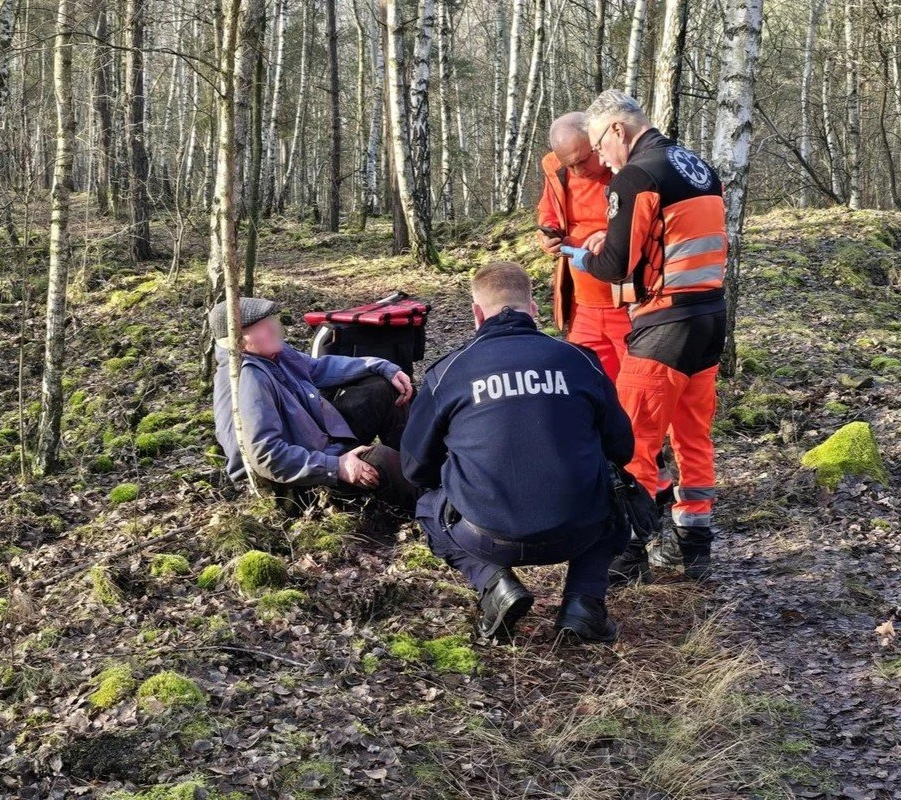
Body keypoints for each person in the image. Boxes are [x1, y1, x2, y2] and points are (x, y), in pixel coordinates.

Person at [400, 262, 634, 642]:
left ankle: (494, 585)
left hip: (486, 535)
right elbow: (622, 448)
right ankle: (584, 603)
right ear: (534, 309)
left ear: (476, 313)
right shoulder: (580, 361)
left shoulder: (448, 372)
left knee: (428, 505)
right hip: (580, 529)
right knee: (617, 489)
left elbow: (414, 468)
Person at [559, 90, 728, 584]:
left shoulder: (637, 175)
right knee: (693, 435)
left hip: (665, 325)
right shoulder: (694, 164)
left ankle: (626, 552)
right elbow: (670, 240)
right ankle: (694, 544)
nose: (603, 162)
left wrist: (582, 255)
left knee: (634, 439)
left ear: (616, 129)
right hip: (709, 317)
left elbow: (617, 265)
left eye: (598, 146)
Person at [210, 297, 419, 512]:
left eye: (271, 320)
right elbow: (266, 457)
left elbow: (318, 369)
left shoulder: (273, 355)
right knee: (380, 460)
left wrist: (381, 366)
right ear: (237, 340)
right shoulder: (247, 377)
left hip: (323, 441)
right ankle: (436, 504)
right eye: (262, 326)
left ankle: (420, 464)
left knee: (382, 387)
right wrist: (336, 466)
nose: (274, 327)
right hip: (298, 481)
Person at [536, 112, 632, 382]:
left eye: (582, 160)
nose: (578, 171)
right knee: (588, 383)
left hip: (628, 304)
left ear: (597, 141)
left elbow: (651, 220)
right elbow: (547, 211)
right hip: (580, 305)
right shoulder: (556, 169)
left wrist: (614, 235)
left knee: (639, 389)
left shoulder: (630, 168)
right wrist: (547, 236)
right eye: (570, 165)